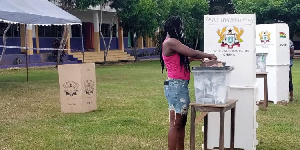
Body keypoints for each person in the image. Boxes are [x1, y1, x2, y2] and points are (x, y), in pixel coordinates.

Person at [159, 16, 217, 150]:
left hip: (179, 86)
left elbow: (186, 57)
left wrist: (197, 59)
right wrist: (207, 55)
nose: (182, 29)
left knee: (182, 122)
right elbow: (191, 52)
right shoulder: (171, 42)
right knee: (175, 123)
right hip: (176, 86)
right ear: (175, 27)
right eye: (180, 26)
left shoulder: (171, 43)